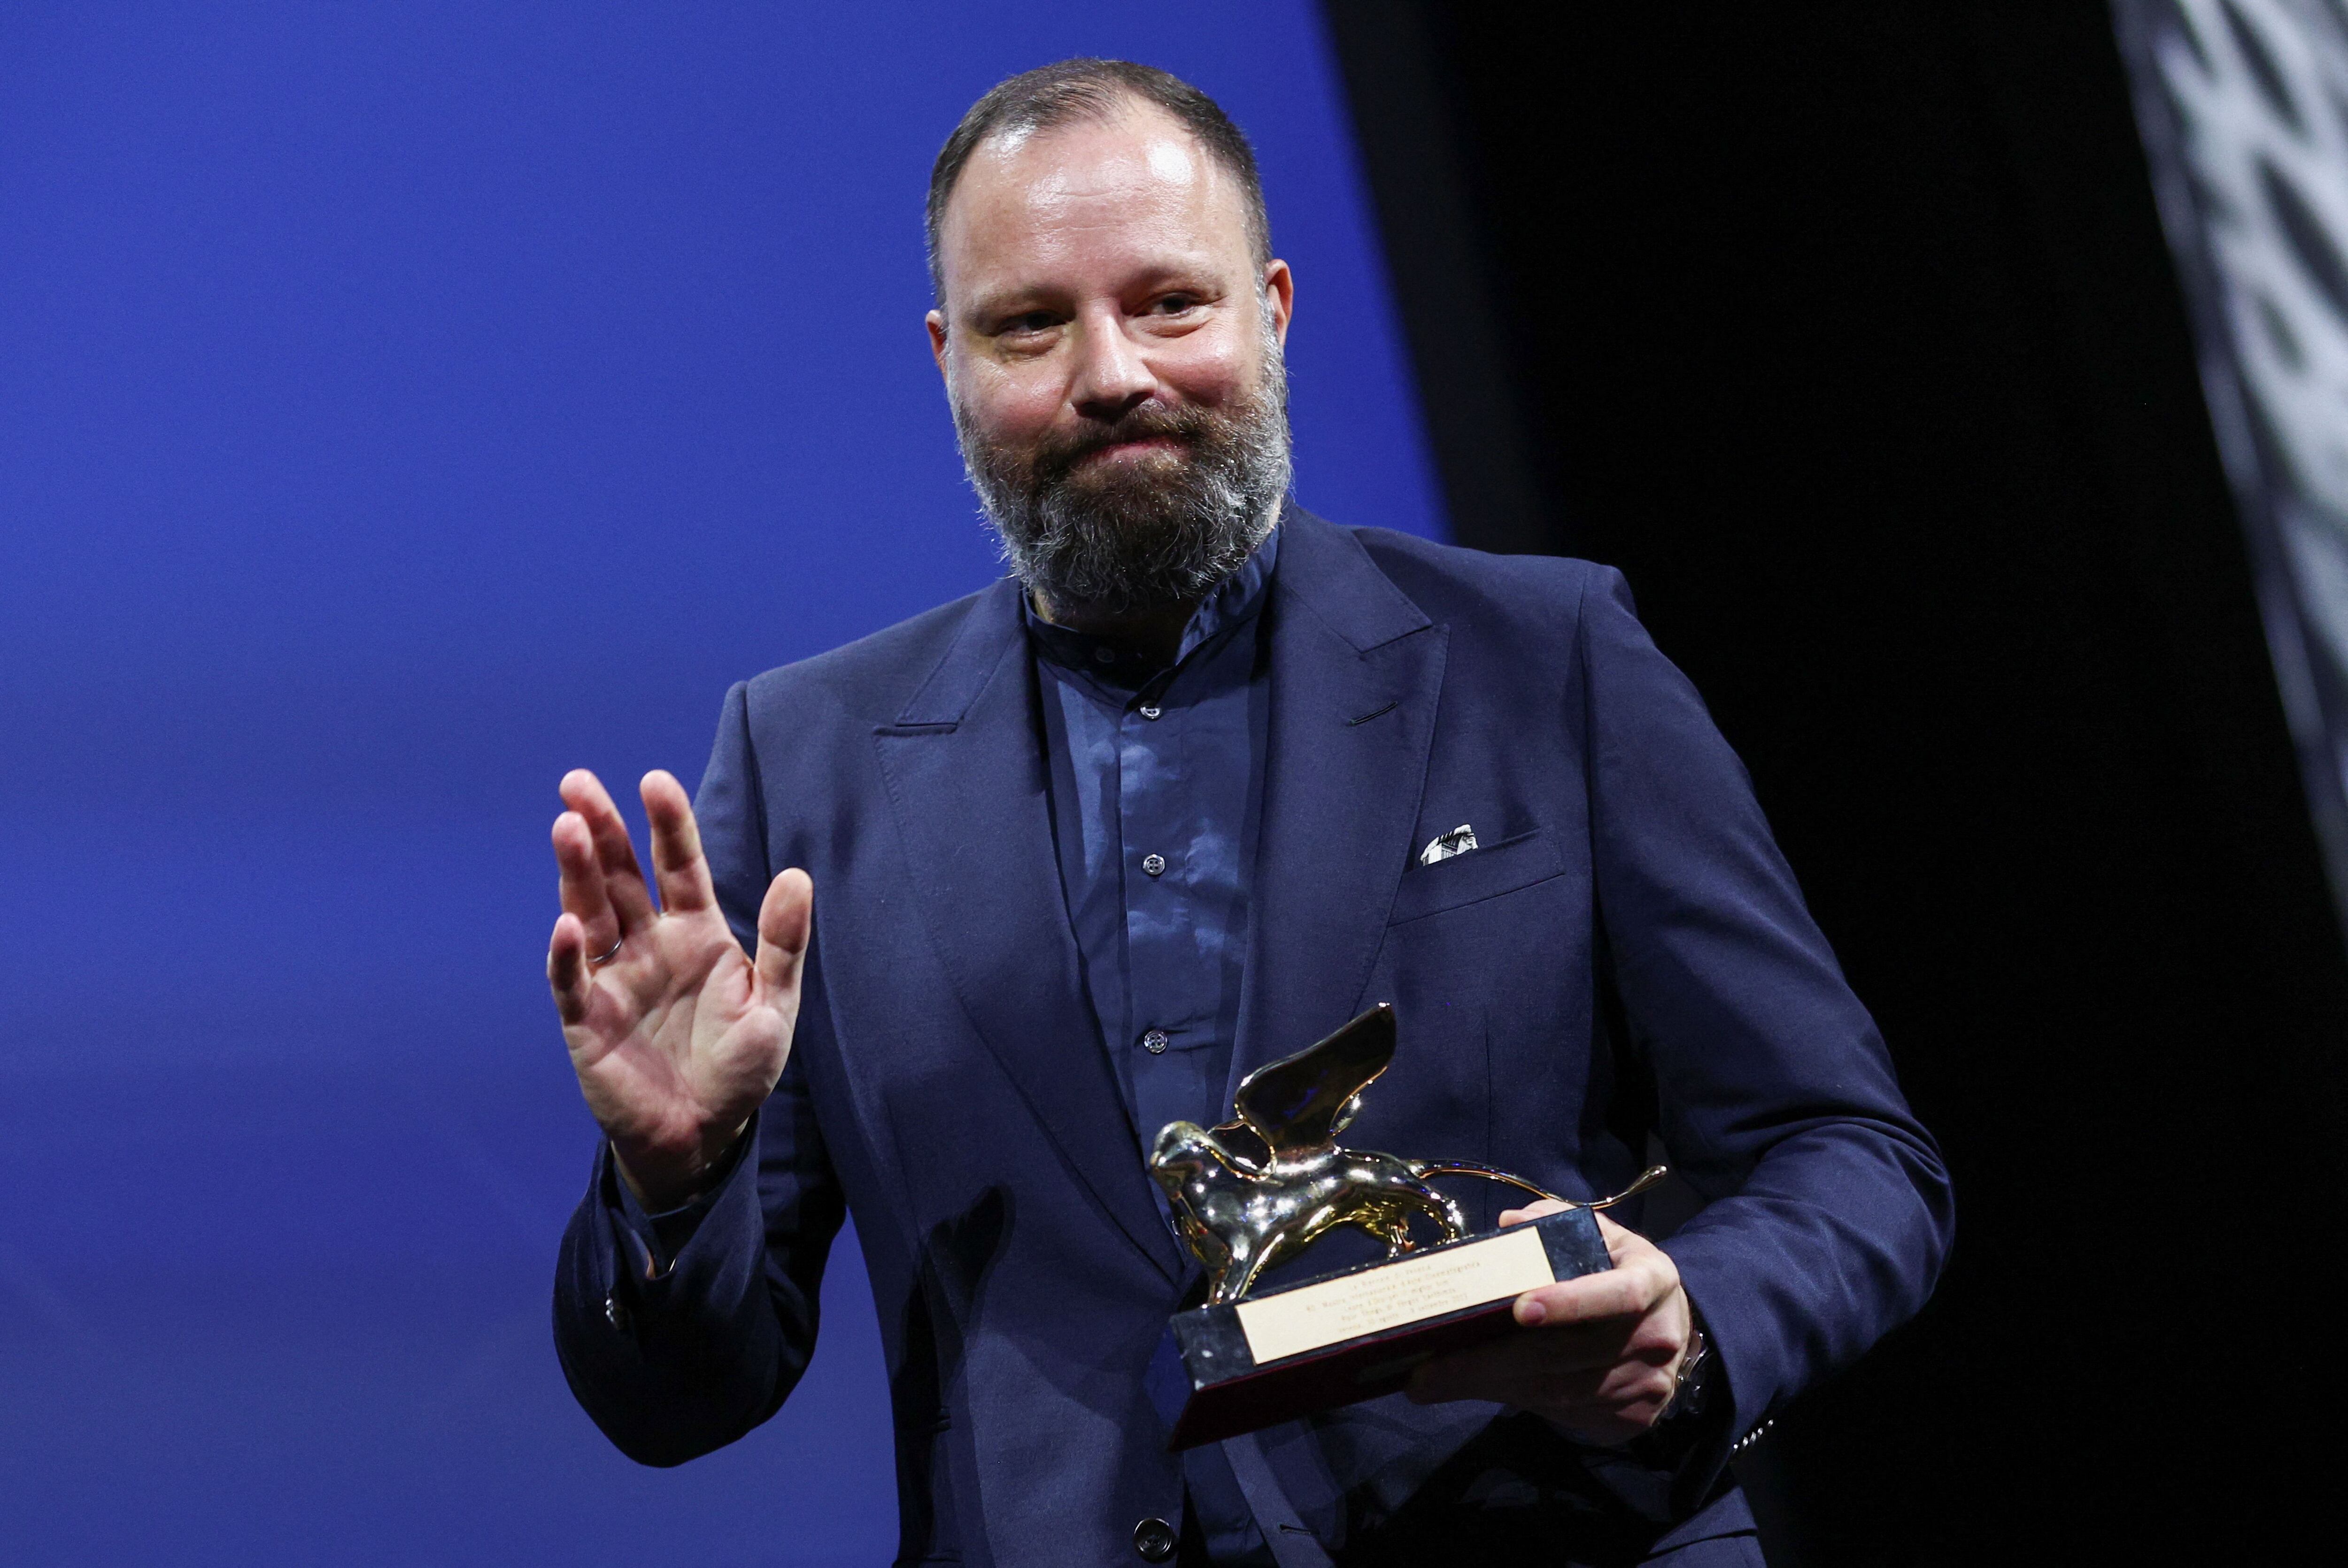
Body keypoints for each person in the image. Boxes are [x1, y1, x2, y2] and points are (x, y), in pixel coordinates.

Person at [545, 59, 1951, 1568]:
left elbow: (1850, 1149)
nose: (1112, 372)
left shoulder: (1546, 659)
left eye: (1169, 303)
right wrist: (672, 1183)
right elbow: (683, 1395)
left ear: (1273, 311)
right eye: (1033, 322)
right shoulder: (802, 754)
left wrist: (1697, 1320)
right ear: (949, 359)